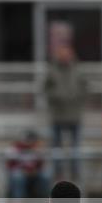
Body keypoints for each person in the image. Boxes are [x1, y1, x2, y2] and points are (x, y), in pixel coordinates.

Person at [44, 45, 86, 182]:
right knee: (56, 149)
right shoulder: (51, 71)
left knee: (76, 148)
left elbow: (85, 88)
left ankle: (76, 175)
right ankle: (58, 174)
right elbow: (44, 89)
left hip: (74, 115)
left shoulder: (78, 70)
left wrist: (76, 97)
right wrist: (57, 96)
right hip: (58, 115)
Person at [6, 131, 48, 200]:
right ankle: (18, 202)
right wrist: (24, 171)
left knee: (46, 175)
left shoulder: (36, 149)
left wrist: (34, 171)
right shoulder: (15, 148)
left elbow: (40, 165)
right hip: (20, 172)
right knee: (18, 177)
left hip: (34, 173)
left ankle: (45, 201)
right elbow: (10, 165)